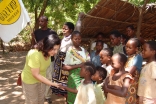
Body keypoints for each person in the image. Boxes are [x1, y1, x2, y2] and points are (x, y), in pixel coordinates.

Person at [21, 34, 61, 104]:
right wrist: (52, 84)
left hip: (41, 81)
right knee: (32, 102)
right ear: (47, 46)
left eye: (57, 49)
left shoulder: (48, 53)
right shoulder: (34, 54)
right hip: (30, 81)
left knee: (40, 101)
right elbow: (36, 74)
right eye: (54, 49)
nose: (56, 52)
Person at [31, 16, 57, 103]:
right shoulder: (36, 32)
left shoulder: (52, 32)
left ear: (46, 22)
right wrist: (32, 38)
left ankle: (48, 96)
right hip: (39, 59)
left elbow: (55, 45)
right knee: (39, 76)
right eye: (39, 21)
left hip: (50, 58)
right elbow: (33, 45)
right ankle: (40, 94)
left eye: (42, 21)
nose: (40, 23)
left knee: (49, 77)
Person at [62, 31, 90, 104]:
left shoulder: (83, 50)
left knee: (82, 95)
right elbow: (64, 67)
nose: (78, 41)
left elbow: (88, 61)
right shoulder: (70, 51)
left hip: (84, 75)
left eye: (79, 39)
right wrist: (78, 65)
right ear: (72, 39)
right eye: (75, 39)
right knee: (73, 94)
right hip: (74, 76)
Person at [51, 22, 74, 96]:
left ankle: (67, 96)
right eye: (63, 28)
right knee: (58, 78)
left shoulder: (72, 39)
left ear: (71, 30)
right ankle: (61, 93)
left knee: (65, 79)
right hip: (59, 61)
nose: (63, 30)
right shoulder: (63, 39)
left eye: (65, 29)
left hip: (66, 61)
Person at [124, 38, 143, 104]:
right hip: (127, 82)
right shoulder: (128, 57)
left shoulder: (138, 57)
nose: (127, 49)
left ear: (136, 49)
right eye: (126, 47)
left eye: (130, 47)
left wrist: (120, 71)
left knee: (130, 99)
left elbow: (130, 70)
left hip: (133, 84)